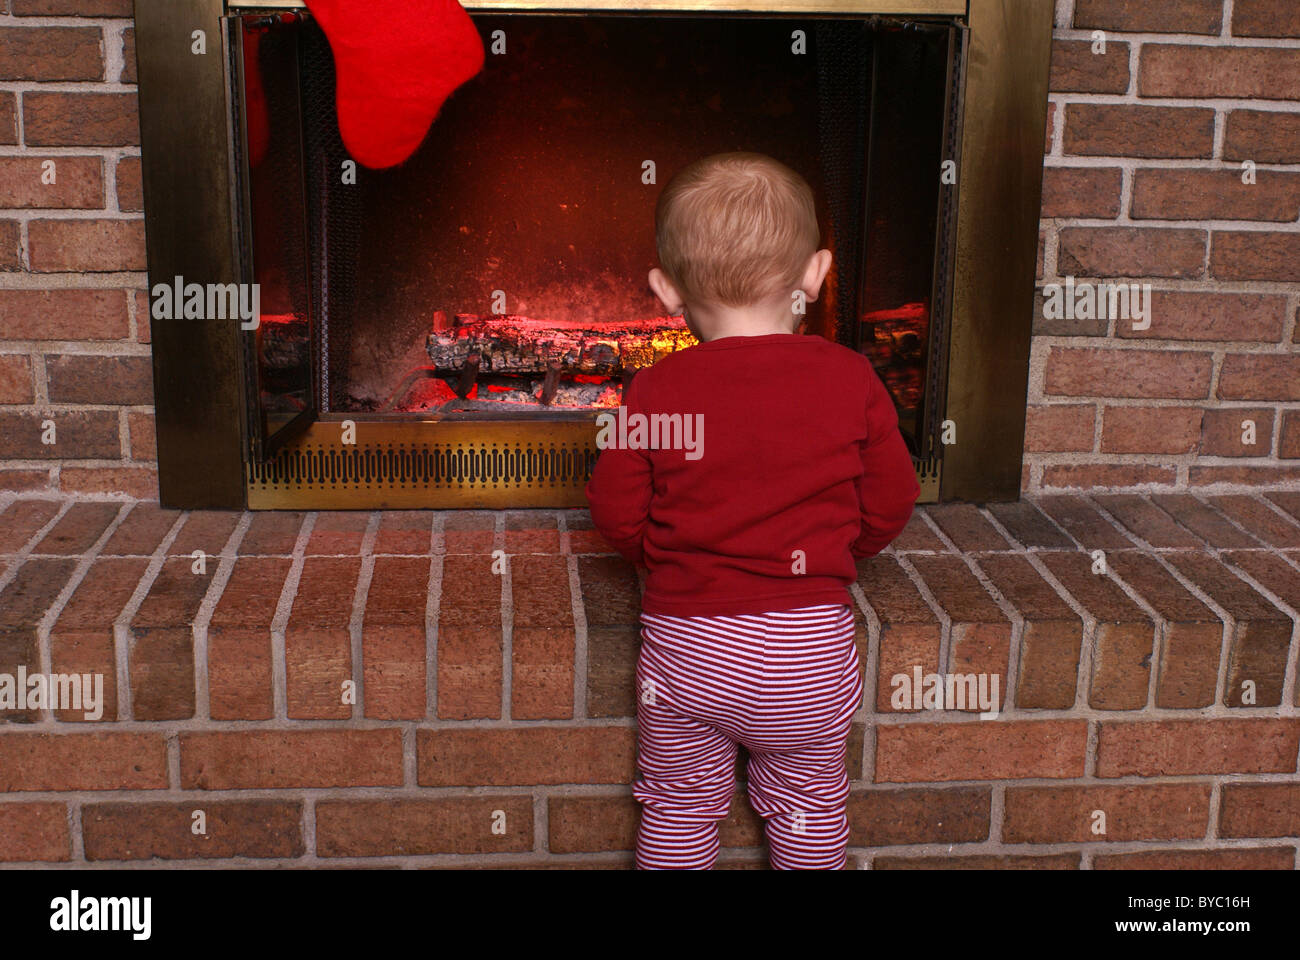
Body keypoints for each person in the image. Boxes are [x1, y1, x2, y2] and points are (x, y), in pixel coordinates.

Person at [585, 152, 920, 869]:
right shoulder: (851, 375)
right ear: (816, 273)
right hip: (810, 653)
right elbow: (893, 499)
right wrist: (842, 549)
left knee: (677, 803)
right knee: (810, 804)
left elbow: (613, 508)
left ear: (666, 290)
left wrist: (660, 556)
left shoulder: (653, 390)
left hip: (687, 650)